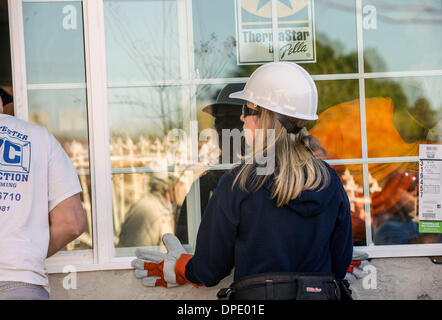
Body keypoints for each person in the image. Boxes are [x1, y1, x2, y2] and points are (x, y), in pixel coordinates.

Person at [131, 62, 353, 300]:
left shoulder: (238, 184)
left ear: (267, 118)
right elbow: (339, 267)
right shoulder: (330, 182)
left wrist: (181, 266)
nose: (241, 119)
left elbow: (208, 270)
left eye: (247, 110)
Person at [0, 88, 86, 300]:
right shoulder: (40, 139)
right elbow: (72, 223)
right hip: (22, 284)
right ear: (1, 105)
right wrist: (27, 252)